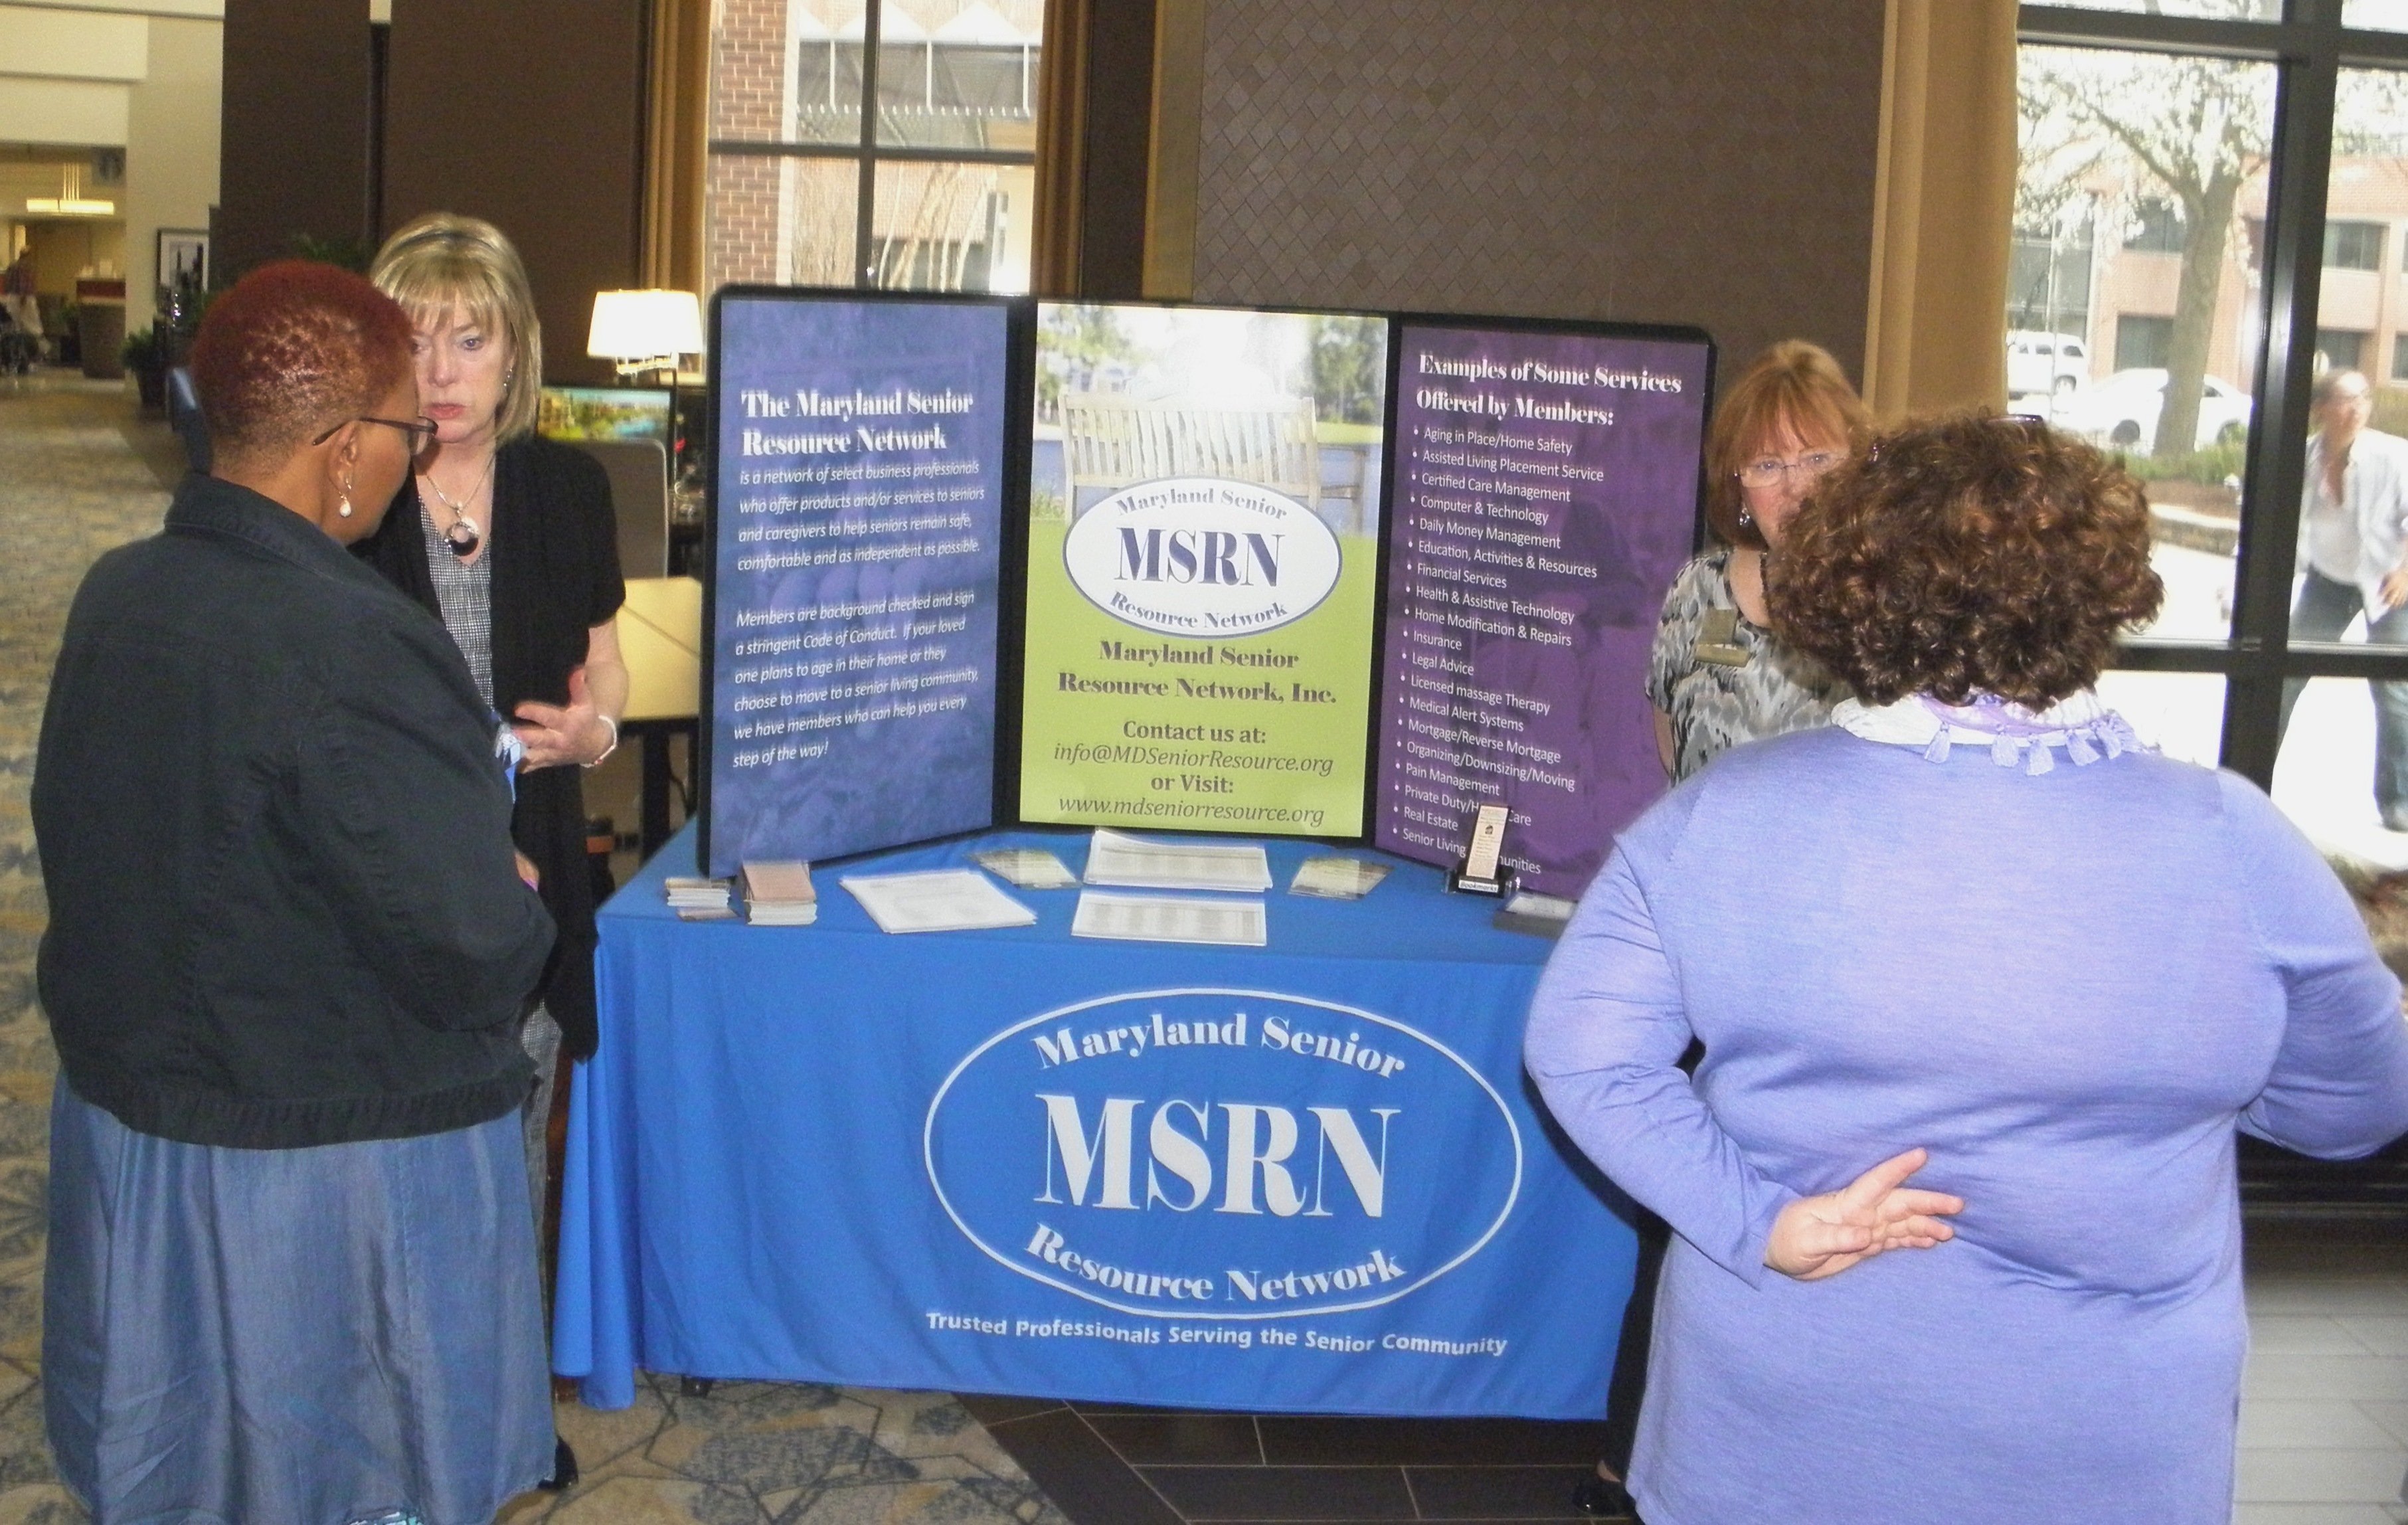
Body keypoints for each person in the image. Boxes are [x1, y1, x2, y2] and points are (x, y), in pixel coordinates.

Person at [1526, 413, 2408, 1525]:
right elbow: (2358, 1107)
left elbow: (1581, 1053)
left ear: (1854, 593)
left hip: (1778, 1429)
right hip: (2102, 1436)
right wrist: (2177, 1075)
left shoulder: (1722, 818)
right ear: (2103, 590)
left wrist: (1761, 1222)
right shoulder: (2234, 841)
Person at [34, 260, 559, 1522]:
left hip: (142, 1119)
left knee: (185, 1468)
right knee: (346, 1473)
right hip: (324, 1157)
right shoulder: (356, 642)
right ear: (337, 451)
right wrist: (507, 878)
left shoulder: (121, 591)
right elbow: (474, 947)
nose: (412, 448)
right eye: (401, 428)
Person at [1573, 339, 1868, 1519]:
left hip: (1832, 965)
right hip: (1697, 951)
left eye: (1813, 457)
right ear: (1732, 485)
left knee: (1816, 1213)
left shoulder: (1885, 610)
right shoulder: (1699, 590)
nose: (1789, 485)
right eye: (1764, 465)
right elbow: (1668, 742)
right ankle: (1629, 1463)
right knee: (1681, 1212)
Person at [360, 212, 628, 1234]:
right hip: (389, 881)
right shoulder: (350, 487)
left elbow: (605, 667)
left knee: (511, 1139)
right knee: (392, 1152)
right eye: (413, 337)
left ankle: (491, 1373)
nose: (440, 370)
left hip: (534, 862)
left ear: (514, 348)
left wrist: (594, 734)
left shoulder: (567, 488)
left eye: (468, 340)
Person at [2280, 367, 2408, 828]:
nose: (2355, 410)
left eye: (2363, 400)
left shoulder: (2394, 457)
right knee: (2286, 673)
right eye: (2344, 400)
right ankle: (2252, 779)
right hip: (2330, 578)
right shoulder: (2305, 458)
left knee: (2393, 689)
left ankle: (2398, 802)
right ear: (2320, 410)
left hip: (2386, 582)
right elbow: (2282, 517)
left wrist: (2405, 572)